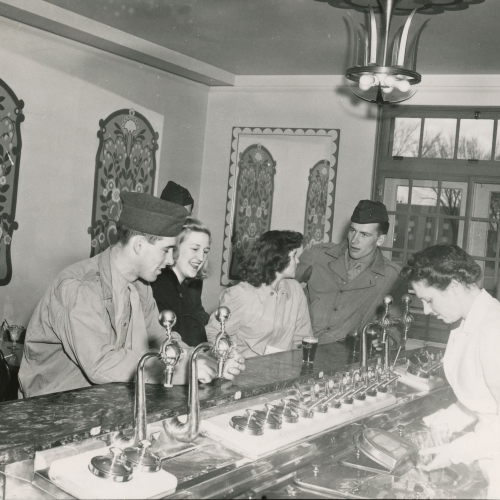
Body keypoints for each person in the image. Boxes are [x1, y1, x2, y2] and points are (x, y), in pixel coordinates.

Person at [18, 193, 245, 398]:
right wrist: (177, 371)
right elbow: (100, 364)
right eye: (166, 250)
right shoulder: (79, 287)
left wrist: (206, 361)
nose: (170, 261)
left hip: (103, 401)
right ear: (138, 245)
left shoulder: (140, 287)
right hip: (54, 409)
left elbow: (162, 339)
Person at [400, 244, 500, 499]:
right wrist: (443, 420)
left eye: (429, 300)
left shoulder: (493, 330)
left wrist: (455, 451)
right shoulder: (465, 325)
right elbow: (484, 401)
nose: (426, 311)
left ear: (455, 285)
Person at [295, 199, 405, 343]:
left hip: (347, 356)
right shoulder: (318, 256)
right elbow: (280, 284)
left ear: (380, 239)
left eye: (364, 235)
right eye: (353, 231)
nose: (354, 240)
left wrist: (386, 339)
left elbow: (396, 325)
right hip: (303, 346)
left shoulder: (392, 276)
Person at [205, 230, 312, 358]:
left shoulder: (296, 291)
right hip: (245, 370)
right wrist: (232, 360)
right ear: (278, 258)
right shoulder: (241, 294)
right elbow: (216, 334)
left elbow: (302, 338)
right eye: (294, 255)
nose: (298, 261)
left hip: (283, 371)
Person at [151, 217, 211, 346]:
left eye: (205, 251)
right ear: (175, 248)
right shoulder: (161, 285)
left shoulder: (184, 286)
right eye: (195, 249)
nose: (201, 258)